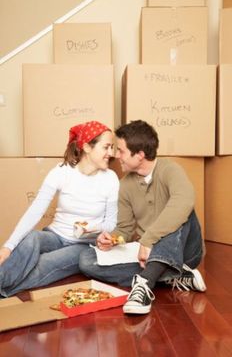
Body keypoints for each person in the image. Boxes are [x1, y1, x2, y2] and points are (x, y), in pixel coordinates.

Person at [79, 120, 206, 315]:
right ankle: (172, 275)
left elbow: (184, 201)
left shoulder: (170, 170)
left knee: (182, 211)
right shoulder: (125, 185)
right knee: (87, 260)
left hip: (186, 250)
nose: (115, 155)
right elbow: (126, 230)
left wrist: (148, 239)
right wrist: (113, 239)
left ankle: (144, 284)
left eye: (121, 151)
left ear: (139, 155)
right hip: (150, 254)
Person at [0, 120, 119, 297]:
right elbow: (35, 210)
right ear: (87, 147)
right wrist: (8, 247)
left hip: (83, 245)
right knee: (31, 238)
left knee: (42, 264)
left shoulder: (111, 179)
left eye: (112, 148)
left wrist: (93, 229)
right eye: (106, 147)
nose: (111, 153)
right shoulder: (62, 171)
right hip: (55, 236)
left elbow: (110, 223)